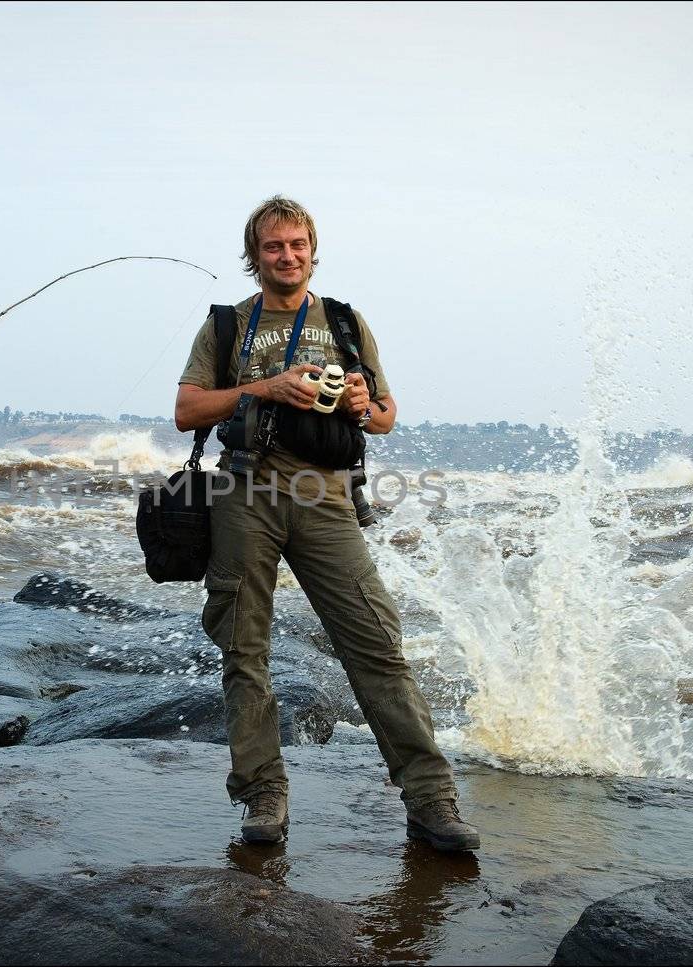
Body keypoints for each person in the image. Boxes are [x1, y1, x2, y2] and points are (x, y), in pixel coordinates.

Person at [175, 195, 482, 852]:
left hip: (327, 497)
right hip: (243, 490)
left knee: (376, 642)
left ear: (313, 250)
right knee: (243, 649)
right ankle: (263, 794)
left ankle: (431, 799)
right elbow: (188, 408)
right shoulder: (228, 325)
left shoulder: (344, 321)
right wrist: (266, 387)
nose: (287, 255)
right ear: (254, 257)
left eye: (297, 244)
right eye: (272, 247)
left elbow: (387, 414)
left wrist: (367, 404)